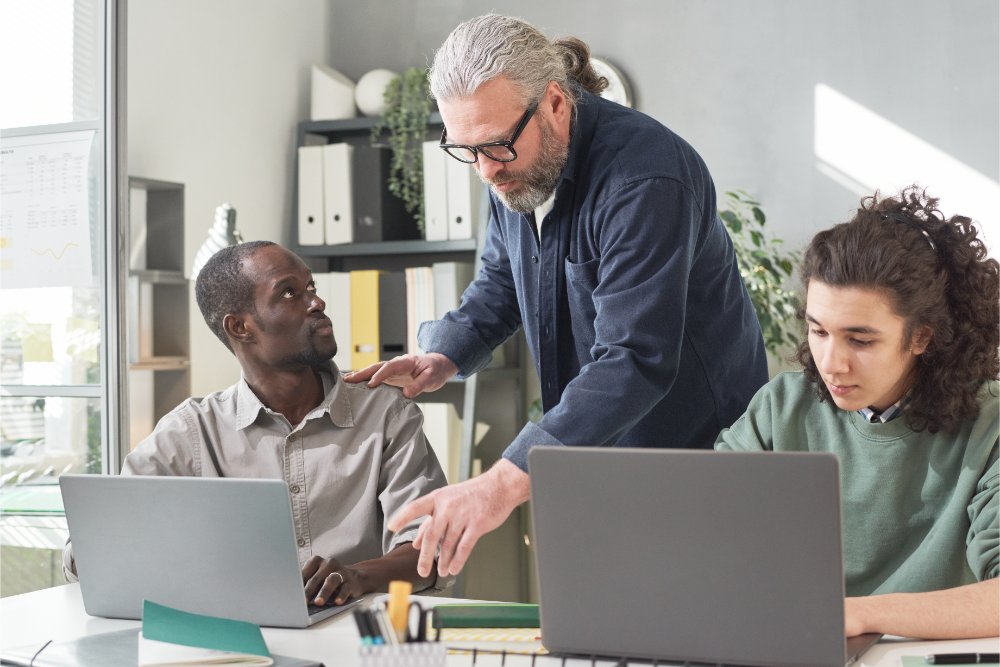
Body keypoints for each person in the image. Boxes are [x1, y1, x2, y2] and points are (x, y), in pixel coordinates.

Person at [346, 14, 768, 579]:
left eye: (496, 146)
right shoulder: (508, 163)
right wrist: (440, 356)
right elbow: (502, 280)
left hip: (696, 456)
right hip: (596, 453)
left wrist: (500, 484)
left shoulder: (646, 179)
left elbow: (635, 358)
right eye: (466, 150)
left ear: (555, 104)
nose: (486, 170)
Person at [64, 241, 448, 606]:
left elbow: (428, 548)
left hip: (358, 634)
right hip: (235, 635)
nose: (317, 302)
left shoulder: (385, 412)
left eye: (311, 288)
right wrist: (103, 549)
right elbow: (91, 549)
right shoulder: (190, 431)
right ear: (240, 327)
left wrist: (357, 576)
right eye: (289, 293)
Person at [716, 186, 999, 639]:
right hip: (792, 645)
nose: (831, 363)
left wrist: (859, 615)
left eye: (860, 340)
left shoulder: (990, 425)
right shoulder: (780, 407)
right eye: (818, 331)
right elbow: (702, 534)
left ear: (921, 337)